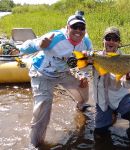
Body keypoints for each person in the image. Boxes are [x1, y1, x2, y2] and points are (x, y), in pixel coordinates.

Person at [19, 11, 93, 148]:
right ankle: (35, 144)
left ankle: (80, 106)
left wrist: (84, 75)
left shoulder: (86, 42)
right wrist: (39, 45)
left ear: (85, 30)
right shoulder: (55, 37)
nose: (78, 31)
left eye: (81, 28)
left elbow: (86, 64)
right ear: (67, 28)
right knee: (43, 108)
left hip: (63, 73)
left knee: (84, 92)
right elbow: (23, 48)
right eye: (74, 27)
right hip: (42, 73)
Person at [92, 26, 130, 142]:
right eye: (108, 38)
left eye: (115, 39)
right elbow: (82, 70)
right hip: (102, 102)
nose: (111, 41)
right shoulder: (95, 57)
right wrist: (86, 59)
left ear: (119, 43)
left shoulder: (126, 60)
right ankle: (110, 114)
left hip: (120, 98)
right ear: (103, 41)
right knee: (100, 133)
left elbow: (128, 85)